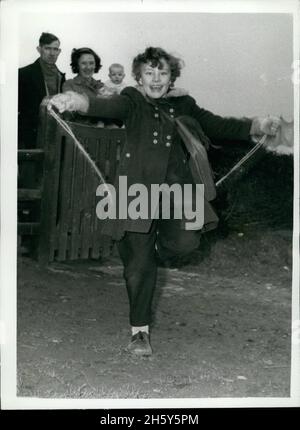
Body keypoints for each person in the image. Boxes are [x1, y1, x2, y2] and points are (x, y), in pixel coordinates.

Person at [48, 46, 280, 357]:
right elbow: (106, 105)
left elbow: (217, 124)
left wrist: (257, 125)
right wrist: (75, 100)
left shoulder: (183, 104)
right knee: (139, 266)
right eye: (149, 73)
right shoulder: (131, 99)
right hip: (135, 192)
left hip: (178, 192)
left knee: (186, 243)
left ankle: (155, 247)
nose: (156, 79)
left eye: (163, 73)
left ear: (171, 78)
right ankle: (139, 332)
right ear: (139, 77)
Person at [18, 32, 65, 149]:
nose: (52, 53)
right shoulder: (24, 73)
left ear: (59, 51)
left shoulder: (61, 77)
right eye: (47, 48)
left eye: (55, 49)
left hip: (55, 135)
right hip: (30, 137)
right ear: (39, 49)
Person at [62, 47, 105, 126]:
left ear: (96, 65)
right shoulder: (69, 85)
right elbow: (69, 115)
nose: (88, 67)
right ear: (77, 65)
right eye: (84, 63)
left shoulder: (101, 86)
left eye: (91, 63)